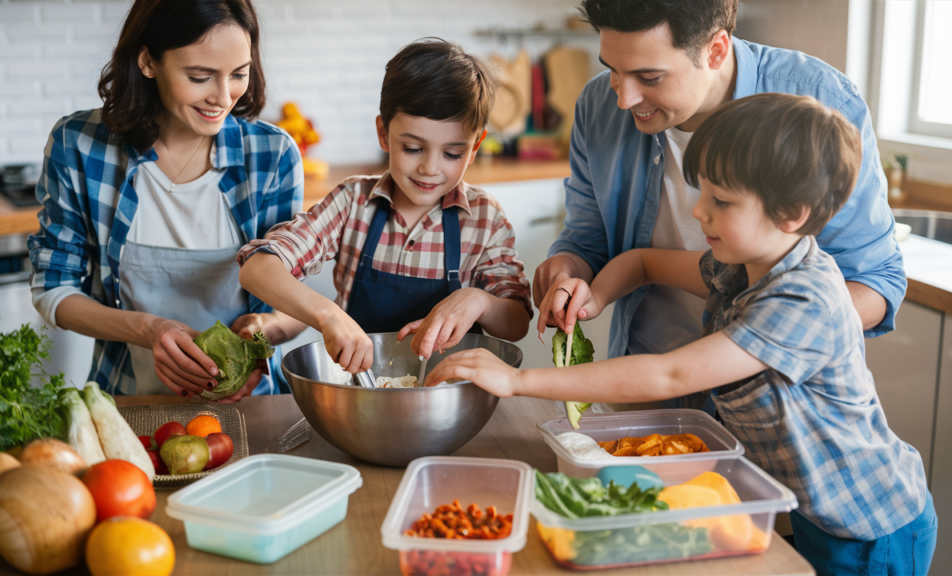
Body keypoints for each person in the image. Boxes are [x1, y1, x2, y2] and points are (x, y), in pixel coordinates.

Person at [424, 94, 936, 576]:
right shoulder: (744, 267)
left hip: (872, 525)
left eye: (721, 201)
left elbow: (671, 373)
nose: (698, 212)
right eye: (701, 193)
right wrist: (597, 297)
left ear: (792, 215)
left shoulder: (805, 299)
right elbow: (643, 262)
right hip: (816, 509)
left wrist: (517, 382)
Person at [532, 0, 905, 411]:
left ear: (716, 49)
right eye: (613, 71)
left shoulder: (820, 102)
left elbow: (876, 279)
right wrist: (568, 271)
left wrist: (760, 339)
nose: (624, 99)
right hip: (645, 390)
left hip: (777, 412)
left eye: (649, 77)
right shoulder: (597, 106)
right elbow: (594, 244)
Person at [28, 0, 305, 401]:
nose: (223, 97)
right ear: (147, 61)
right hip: (128, 401)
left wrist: (262, 330)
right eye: (200, 76)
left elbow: (292, 303)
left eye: (239, 74)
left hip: (250, 405)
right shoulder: (80, 145)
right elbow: (54, 290)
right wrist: (149, 329)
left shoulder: (271, 154)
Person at [237, 39, 533, 373]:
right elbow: (257, 268)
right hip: (361, 396)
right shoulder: (353, 204)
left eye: (452, 153)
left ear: (476, 144)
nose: (430, 168)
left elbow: (517, 323)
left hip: (449, 396)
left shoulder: (484, 218)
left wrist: (479, 301)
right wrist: (327, 315)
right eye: (412, 148)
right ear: (383, 133)